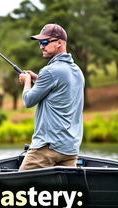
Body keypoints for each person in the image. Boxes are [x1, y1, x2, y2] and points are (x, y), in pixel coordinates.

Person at [18, 24, 84, 171]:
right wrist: (38, 79)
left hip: (47, 148)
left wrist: (27, 82)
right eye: (40, 43)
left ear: (59, 42)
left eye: (45, 42)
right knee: (61, 193)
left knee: (19, 190)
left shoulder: (49, 71)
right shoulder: (77, 71)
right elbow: (58, 89)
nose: (41, 46)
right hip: (70, 149)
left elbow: (28, 101)